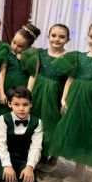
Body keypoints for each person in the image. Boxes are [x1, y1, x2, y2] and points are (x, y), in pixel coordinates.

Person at [50, 16, 92, 182]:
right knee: (79, 136)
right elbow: (70, 78)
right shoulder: (79, 57)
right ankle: (78, 175)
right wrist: (64, 100)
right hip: (77, 103)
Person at [22, 24, 69, 173]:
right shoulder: (40, 54)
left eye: (62, 37)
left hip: (56, 94)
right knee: (37, 123)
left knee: (52, 125)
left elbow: (70, 80)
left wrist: (64, 100)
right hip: (38, 91)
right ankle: (40, 155)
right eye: (54, 35)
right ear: (48, 37)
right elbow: (33, 75)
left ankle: (53, 157)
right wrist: (28, 94)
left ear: (68, 40)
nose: (57, 39)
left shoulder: (69, 57)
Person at [0, 86, 42, 182]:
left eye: (25, 104)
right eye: (16, 104)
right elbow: (1, 144)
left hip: (24, 158)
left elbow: (36, 147)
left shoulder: (37, 122)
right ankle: (7, 168)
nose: (21, 108)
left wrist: (30, 166)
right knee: (4, 178)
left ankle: (22, 171)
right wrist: (7, 165)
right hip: (8, 155)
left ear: (31, 104)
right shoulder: (3, 119)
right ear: (9, 104)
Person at [0, 23, 40, 116]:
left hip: (23, 87)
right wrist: (1, 93)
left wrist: (27, 95)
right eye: (14, 42)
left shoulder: (33, 55)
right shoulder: (7, 52)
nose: (15, 47)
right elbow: (2, 73)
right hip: (7, 87)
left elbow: (33, 75)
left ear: (28, 46)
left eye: (20, 46)